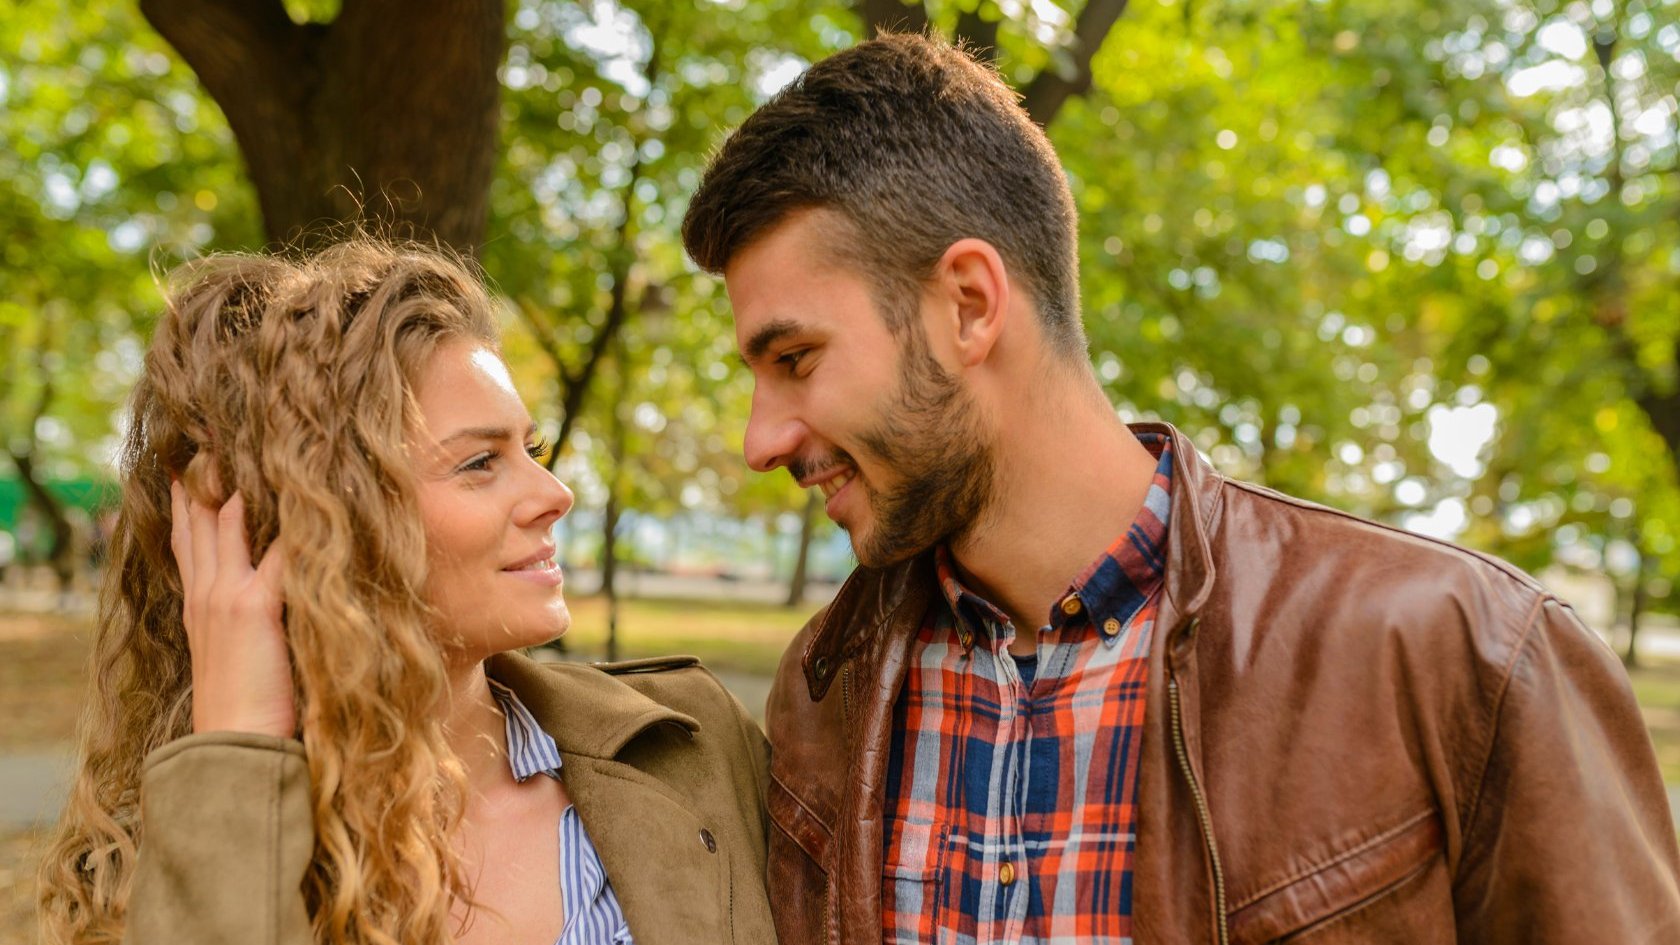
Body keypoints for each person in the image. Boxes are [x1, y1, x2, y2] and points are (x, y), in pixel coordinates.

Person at [681, 32, 1680, 945]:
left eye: (796, 358)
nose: (760, 439)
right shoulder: (829, 684)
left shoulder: (1467, 655)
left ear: (970, 306)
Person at [37, 240, 774, 945]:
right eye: (481, 461)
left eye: (534, 450)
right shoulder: (164, 858)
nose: (556, 493)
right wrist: (240, 745)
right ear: (316, 521)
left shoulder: (693, 743)